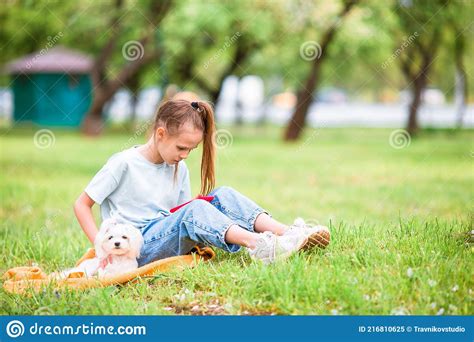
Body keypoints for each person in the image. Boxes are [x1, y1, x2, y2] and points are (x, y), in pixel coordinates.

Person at [74, 100, 330, 266]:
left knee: (223, 194)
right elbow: (82, 204)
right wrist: (101, 248)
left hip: (166, 233)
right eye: (181, 147)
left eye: (191, 150)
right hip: (137, 246)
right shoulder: (124, 163)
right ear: (160, 134)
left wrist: (211, 210)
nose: (185, 155)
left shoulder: (178, 167)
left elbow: (181, 212)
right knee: (195, 209)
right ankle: (258, 245)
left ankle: (288, 234)